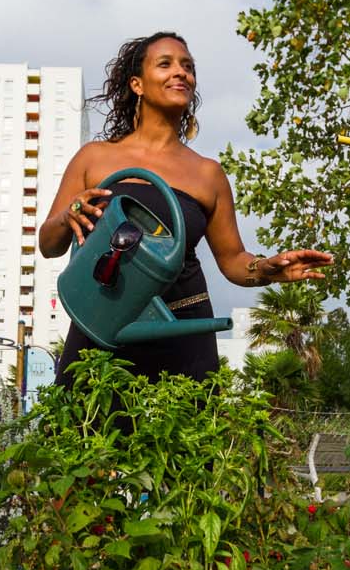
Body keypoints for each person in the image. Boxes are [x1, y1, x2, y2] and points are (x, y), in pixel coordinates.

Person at [40, 31, 332, 385]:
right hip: (103, 321)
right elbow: (48, 243)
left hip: (183, 326)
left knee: (187, 438)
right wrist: (68, 214)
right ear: (137, 84)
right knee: (83, 434)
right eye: (165, 64)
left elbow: (234, 262)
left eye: (188, 67)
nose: (181, 73)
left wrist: (269, 268)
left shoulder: (208, 174)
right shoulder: (95, 157)